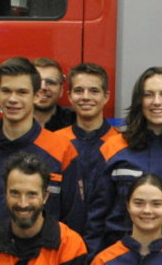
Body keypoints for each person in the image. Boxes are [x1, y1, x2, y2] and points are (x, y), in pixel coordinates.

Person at [0, 56, 82, 244]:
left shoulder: (61, 150)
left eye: (22, 92)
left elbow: (74, 222)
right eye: (6, 91)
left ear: (36, 95)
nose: (13, 99)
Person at [92, 66, 162, 251]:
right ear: (139, 101)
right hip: (118, 257)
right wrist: (94, 262)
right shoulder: (113, 148)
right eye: (148, 95)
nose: (157, 102)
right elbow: (95, 215)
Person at [52, 62, 123, 237]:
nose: (85, 97)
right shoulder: (55, 142)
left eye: (94, 91)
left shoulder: (121, 144)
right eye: (78, 90)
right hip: (63, 240)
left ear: (106, 96)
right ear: (69, 96)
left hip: (109, 242)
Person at [33, 57, 76, 130]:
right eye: (37, 81)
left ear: (61, 89)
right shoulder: (12, 122)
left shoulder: (77, 123)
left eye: (51, 82)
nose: (43, 87)